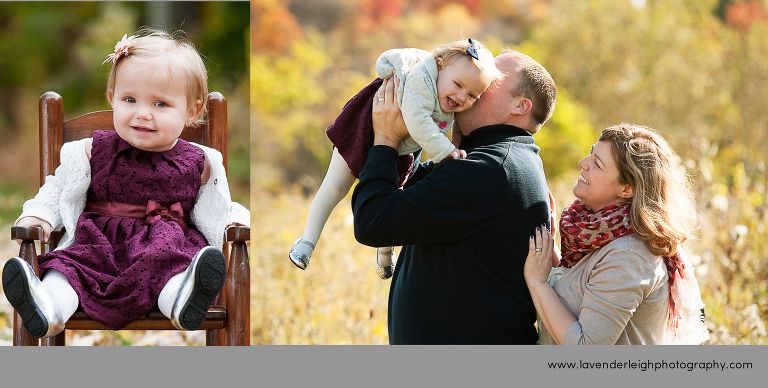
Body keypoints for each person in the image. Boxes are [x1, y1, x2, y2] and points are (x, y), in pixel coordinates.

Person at [1, 28, 250, 339]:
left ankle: (185, 301)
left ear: (192, 111)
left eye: (160, 104)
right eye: (129, 99)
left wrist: (236, 220)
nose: (142, 114)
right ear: (112, 100)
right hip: (97, 247)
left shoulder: (201, 161)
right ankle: (47, 309)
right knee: (67, 272)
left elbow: (216, 203)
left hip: (165, 248)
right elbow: (58, 188)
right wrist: (38, 215)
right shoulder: (92, 150)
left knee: (173, 274)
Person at [351, 49, 557, 344]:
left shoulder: (490, 169)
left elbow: (373, 220)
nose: (478, 80)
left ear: (520, 106)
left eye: (492, 80)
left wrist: (385, 138)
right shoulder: (494, 159)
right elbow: (402, 196)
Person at [288, 39, 504, 280]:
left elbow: (450, 127)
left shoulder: (447, 94)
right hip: (365, 128)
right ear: (439, 65)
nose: (461, 96)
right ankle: (307, 242)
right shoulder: (421, 80)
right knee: (335, 185)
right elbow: (418, 121)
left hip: (399, 146)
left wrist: (455, 145)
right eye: (458, 84)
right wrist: (446, 152)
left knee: (393, 194)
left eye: (473, 95)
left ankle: (385, 251)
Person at [524, 123, 709, 345]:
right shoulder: (596, 233)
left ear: (626, 189)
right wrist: (550, 247)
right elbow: (576, 291)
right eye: (591, 154)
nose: (583, 163)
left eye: (597, 164)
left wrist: (537, 282)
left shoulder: (629, 256)